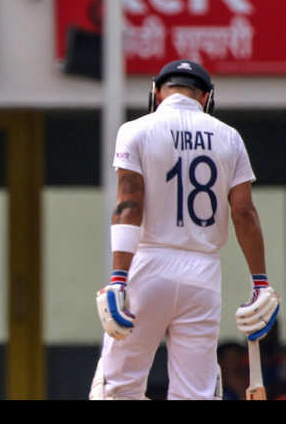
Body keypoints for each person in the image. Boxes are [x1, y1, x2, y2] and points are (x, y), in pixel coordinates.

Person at [89, 59, 280, 400]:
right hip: (202, 274)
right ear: (206, 97)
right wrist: (260, 284)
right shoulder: (229, 137)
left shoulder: (136, 130)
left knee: (118, 388)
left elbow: (129, 202)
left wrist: (119, 276)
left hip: (148, 265)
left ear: (157, 93)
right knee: (196, 393)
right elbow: (244, 213)